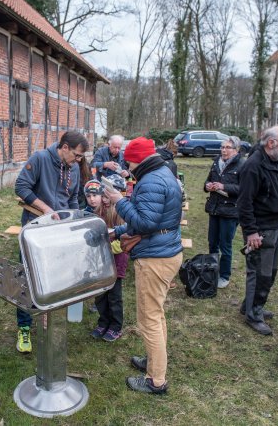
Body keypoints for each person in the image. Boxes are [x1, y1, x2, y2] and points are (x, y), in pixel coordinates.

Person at [104, 136, 182, 395]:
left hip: (156, 258)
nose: (127, 164)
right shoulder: (162, 173)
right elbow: (149, 220)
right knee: (156, 315)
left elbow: (146, 223)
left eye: (129, 160)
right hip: (166, 250)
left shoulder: (150, 181)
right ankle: (154, 360)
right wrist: (118, 231)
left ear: (137, 159)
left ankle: (155, 380)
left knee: (148, 319)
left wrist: (118, 200)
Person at [14, 131, 89, 353]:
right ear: (64, 147)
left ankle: (47, 315)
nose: (78, 160)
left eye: (80, 157)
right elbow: (21, 186)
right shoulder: (40, 159)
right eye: (76, 155)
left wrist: (74, 220)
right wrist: (46, 209)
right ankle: (24, 328)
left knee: (54, 277)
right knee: (28, 278)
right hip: (36, 229)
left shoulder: (74, 167)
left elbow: (73, 197)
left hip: (60, 231)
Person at [237, 126, 278, 335]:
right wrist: (251, 231)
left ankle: (250, 305)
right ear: (271, 143)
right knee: (260, 272)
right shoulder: (253, 166)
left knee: (270, 271)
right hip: (260, 229)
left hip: (275, 226)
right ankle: (253, 314)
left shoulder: (277, 162)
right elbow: (244, 203)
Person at [89, 176, 129, 342]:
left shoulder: (122, 214)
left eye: (106, 196)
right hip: (100, 262)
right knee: (100, 295)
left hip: (115, 263)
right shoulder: (97, 213)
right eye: (102, 196)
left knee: (114, 296)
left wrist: (106, 247)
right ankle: (103, 322)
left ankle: (115, 326)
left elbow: (123, 243)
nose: (103, 200)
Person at [204, 136, 245, 289]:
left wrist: (224, 186)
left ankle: (224, 276)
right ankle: (211, 271)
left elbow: (245, 189)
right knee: (212, 243)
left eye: (228, 147)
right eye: (222, 147)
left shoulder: (242, 165)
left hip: (230, 211)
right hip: (214, 209)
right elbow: (207, 181)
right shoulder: (216, 162)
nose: (224, 150)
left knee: (225, 245)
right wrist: (208, 186)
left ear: (236, 150)